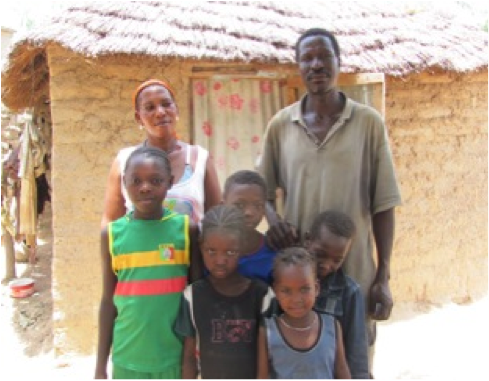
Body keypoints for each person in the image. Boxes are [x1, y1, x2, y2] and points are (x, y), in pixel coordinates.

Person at [258, 27, 402, 372]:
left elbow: (384, 204)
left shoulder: (368, 124)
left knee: (355, 363)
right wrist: (275, 222)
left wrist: (382, 275)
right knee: (299, 363)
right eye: (307, 58)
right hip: (298, 283)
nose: (316, 64)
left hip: (354, 274)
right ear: (298, 66)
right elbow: (261, 190)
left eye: (325, 56)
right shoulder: (281, 125)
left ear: (339, 62)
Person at [94, 146, 201, 380]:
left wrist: (190, 359)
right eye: (136, 180)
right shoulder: (112, 235)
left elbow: (196, 299)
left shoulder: (186, 230)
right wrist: (100, 367)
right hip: (127, 359)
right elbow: (107, 302)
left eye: (155, 180)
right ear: (124, 182)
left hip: (174, 359)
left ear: (170, 182)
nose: (145, 187)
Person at [101, 79, 221, 228]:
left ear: (176, 109)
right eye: (150, 107)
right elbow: (110, 224)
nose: (160, 112)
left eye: (166, 104)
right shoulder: (125, 161)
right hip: (139, 251)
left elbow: (217, 222)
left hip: (191, 251)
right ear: (139, 118)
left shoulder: (199, 159)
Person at [174, 204, 274, 380]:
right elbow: (189, 357)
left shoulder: (262, 295)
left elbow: (267, 355)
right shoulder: (193, 296)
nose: (220, 260)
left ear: (242, 248)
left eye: (230, 252)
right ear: (201, 246)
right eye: (211, 251)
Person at [257, 247, 351, 380]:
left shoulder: (332, 327)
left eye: (304, 289)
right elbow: (263, 377)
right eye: (286, 291)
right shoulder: (268, 331)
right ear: (276, 291)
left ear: (316, 288)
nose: (296, 299)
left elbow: (341, 369)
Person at [305, 210, 369, 380]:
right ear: (307, 240)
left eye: (337, 260)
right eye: (320, 254)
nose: (326, 265)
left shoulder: (349, 293)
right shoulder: (289, 283)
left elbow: (357, 353)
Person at [222, 170, 277, 285]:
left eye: (258, 205)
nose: (249, 212)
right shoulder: (211, 249)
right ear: (223, 205)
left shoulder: (273, 252)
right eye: (239, 205)